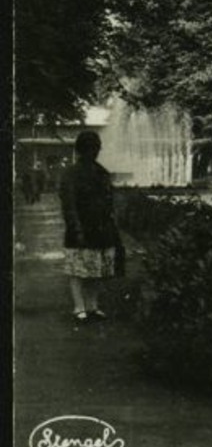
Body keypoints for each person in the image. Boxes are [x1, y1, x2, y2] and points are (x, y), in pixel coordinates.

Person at [59, 131, 123, 322]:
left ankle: (92, 306)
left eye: (95, 148)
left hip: (101, 229)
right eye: (88, 148)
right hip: (80, 228)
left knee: (97, 270)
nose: (93, 152)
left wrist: (112, 226)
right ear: (80, 150)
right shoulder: (71, 174)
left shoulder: (102, 172)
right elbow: (68, 204)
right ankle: (79, 308)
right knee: (77, 270)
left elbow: (109, 202)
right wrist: (76, 228)